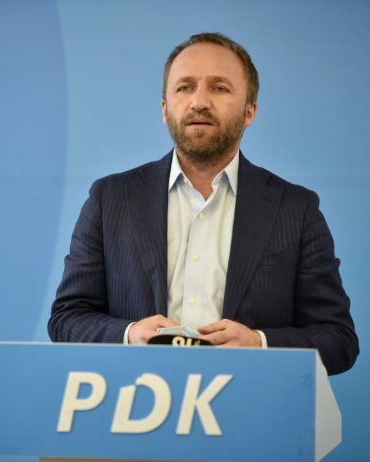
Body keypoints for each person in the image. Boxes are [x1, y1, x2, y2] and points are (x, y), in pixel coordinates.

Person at [48, 32, 358, 375]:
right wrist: (130, 334)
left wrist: (259, 344)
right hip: (136, 399)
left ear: (250, 111)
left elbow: (339, 341)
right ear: (165, 109)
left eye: (219, 88)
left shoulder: (295, 209)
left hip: (250, 401)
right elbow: (67, 319)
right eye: (184, 87)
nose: (199, 102)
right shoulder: (110, 199)